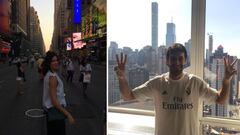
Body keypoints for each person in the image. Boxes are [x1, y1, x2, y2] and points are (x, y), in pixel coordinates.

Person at [114, 43, 237, 135]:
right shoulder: (157, 83)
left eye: (180, 58)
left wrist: (226, 80)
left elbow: (220, 99)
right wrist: (121, 77)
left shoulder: (195, 82)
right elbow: (128, 96)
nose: (176, 62)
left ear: (185, 60)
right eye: (173, 58)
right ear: (167, 61)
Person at [42, 51, 75, 135]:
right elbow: (54, 101)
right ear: (49, 63)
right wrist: (67, 114)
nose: (56, 62)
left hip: (52, 112)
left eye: (56, 60)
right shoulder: (52, 77)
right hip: (55, 113)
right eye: (53, 61)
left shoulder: (50, 74)